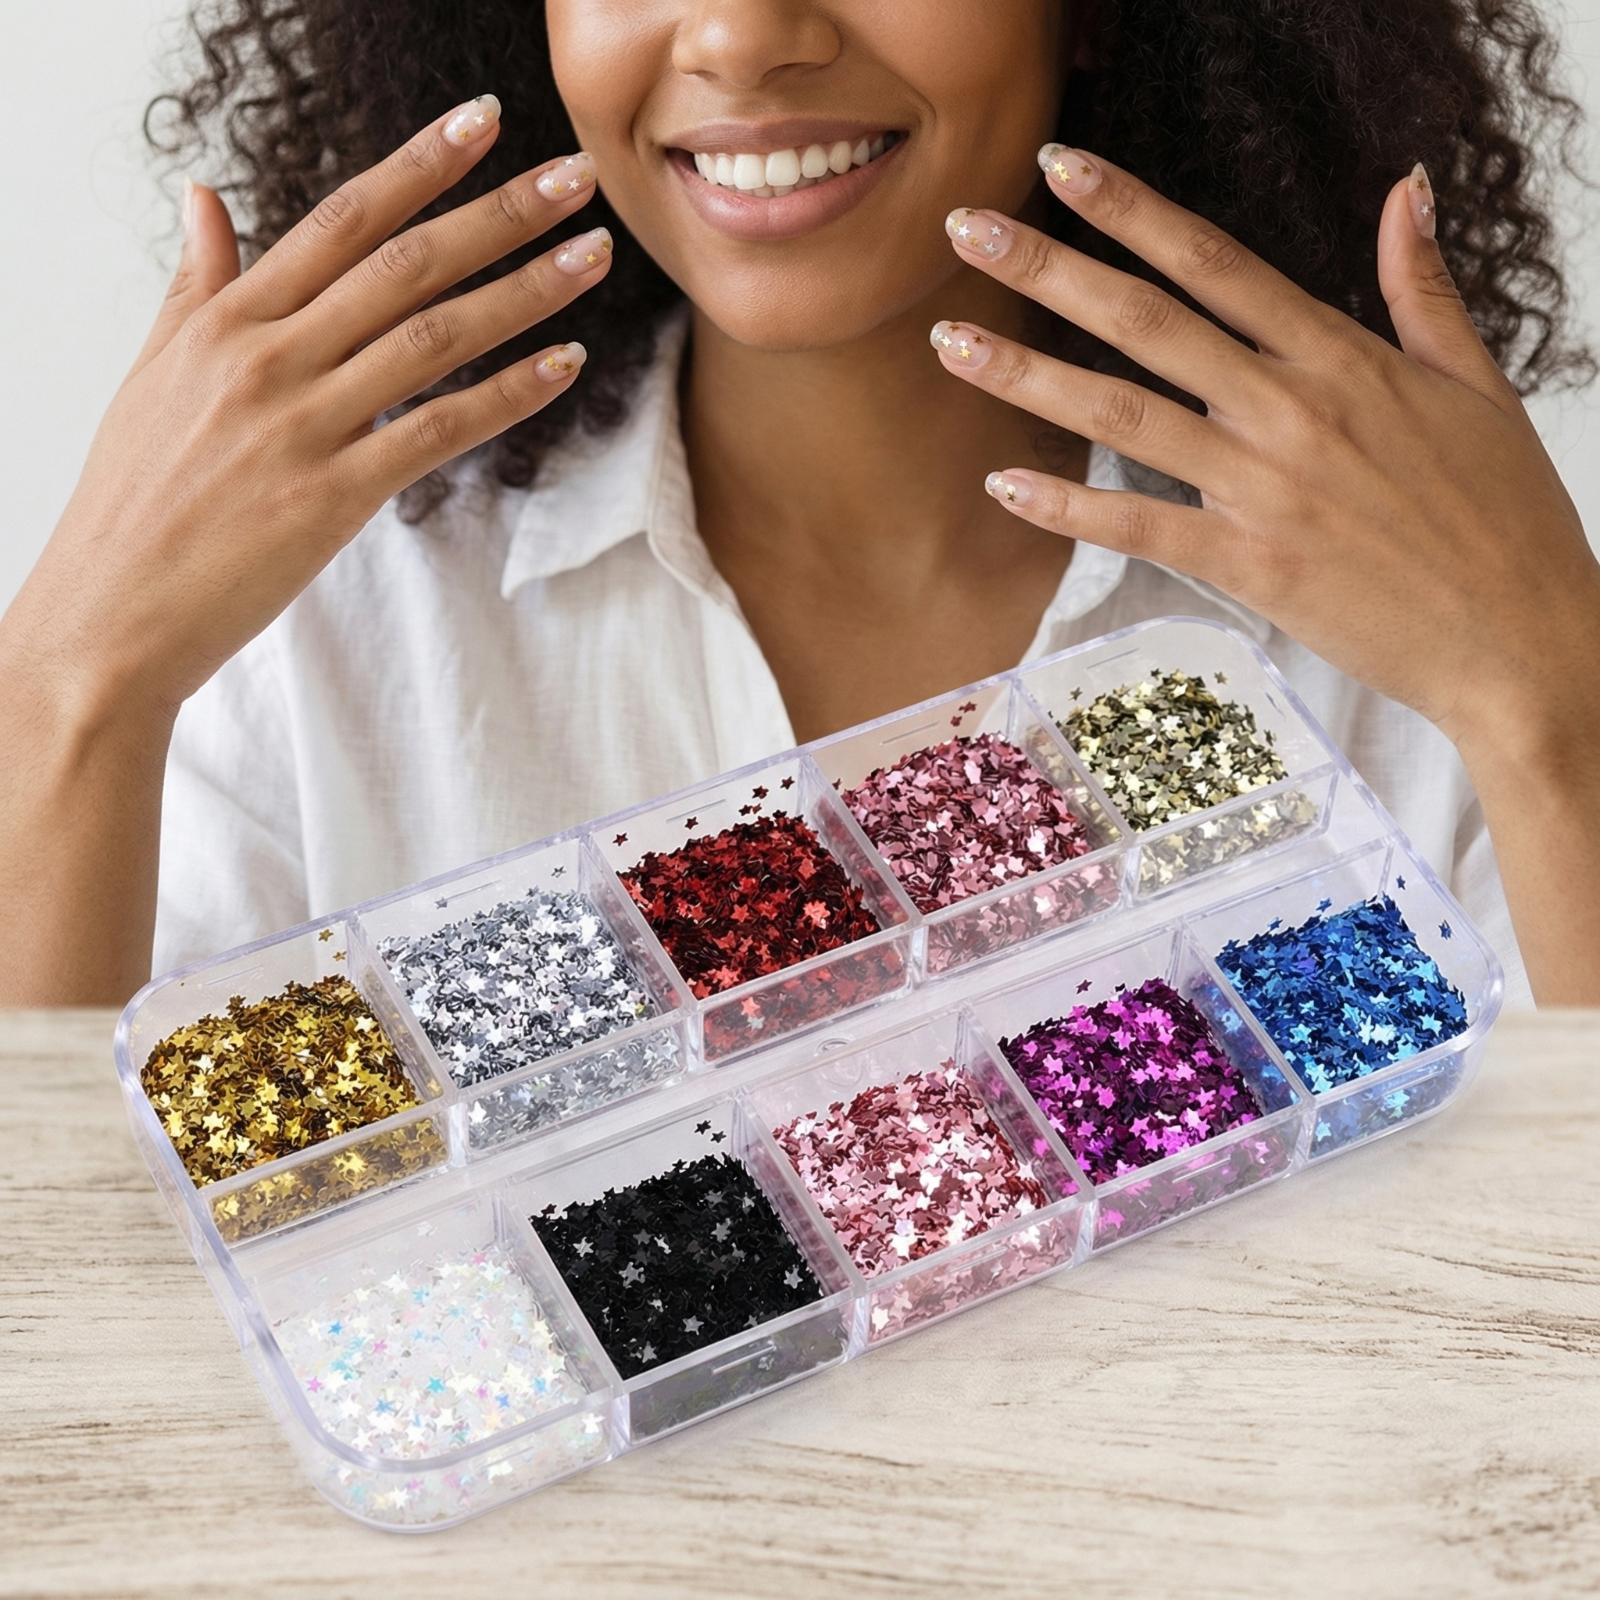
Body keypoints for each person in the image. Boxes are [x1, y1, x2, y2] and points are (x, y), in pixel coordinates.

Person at [2, 0, 1596, 1011]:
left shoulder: (1416, 625)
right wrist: (71, 690)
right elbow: (67, 1353)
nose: (743, 36)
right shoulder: (325, 620)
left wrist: (1560, 705)